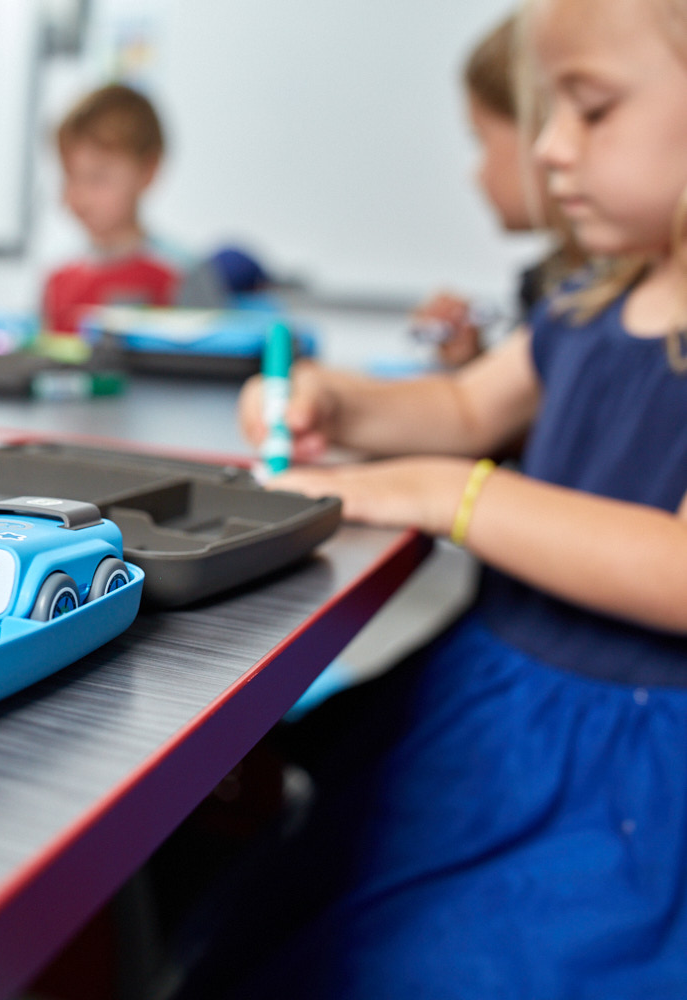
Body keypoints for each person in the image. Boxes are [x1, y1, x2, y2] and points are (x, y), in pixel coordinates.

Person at [232, 0, 687, 993]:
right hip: (495, 699)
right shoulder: (592, 301)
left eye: (592, 110)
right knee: (290, 901)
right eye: (545, 114)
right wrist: (331, 398)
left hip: (634, 770)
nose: (551, 151)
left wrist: (446, 495)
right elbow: (461, 405)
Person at [413, 12, 582, 367]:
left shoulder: (589, 302)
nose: (475, 176)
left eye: (482, 141)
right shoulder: (549, 287)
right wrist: (472, 363)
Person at [41, 84, 228, 333]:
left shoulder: (180, 274)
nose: (80, 195)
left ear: (147, 171)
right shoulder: (58, 280)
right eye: (70, 176)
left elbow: (214, 361)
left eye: (97, 178)